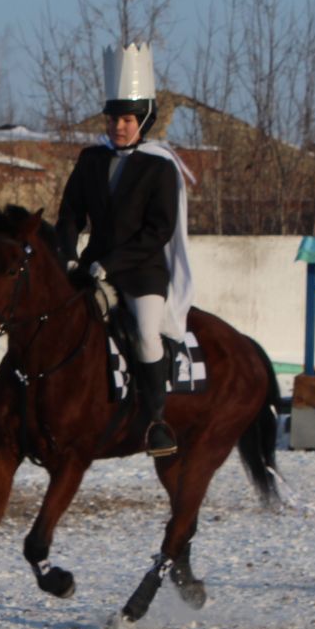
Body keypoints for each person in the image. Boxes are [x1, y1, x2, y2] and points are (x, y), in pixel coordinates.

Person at [53, 42, 194, 458]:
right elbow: (70, 215)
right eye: (114, 118)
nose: (118, 126)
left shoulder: (160, 167)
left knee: (147, 335)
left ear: (142, 120)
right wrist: (69, 254)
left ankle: (155, 422)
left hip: (142, 272)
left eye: (127, 119)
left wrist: (108, 264)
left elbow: (159, 230)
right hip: (92, 267)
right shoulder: (90, 160)